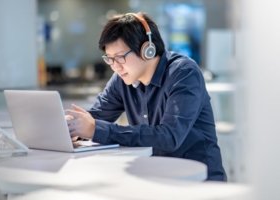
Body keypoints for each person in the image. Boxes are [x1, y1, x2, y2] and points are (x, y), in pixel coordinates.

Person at [66, 12, 227, 181]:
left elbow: (169, 136)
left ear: (147, 50)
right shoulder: (122, 79)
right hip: (156, 179)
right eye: (110, 59)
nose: (115, 66)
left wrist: (96, 129)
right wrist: (72, 126)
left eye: (120, 57)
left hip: (199, 182)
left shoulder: (183, 73)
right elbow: (95, 117)